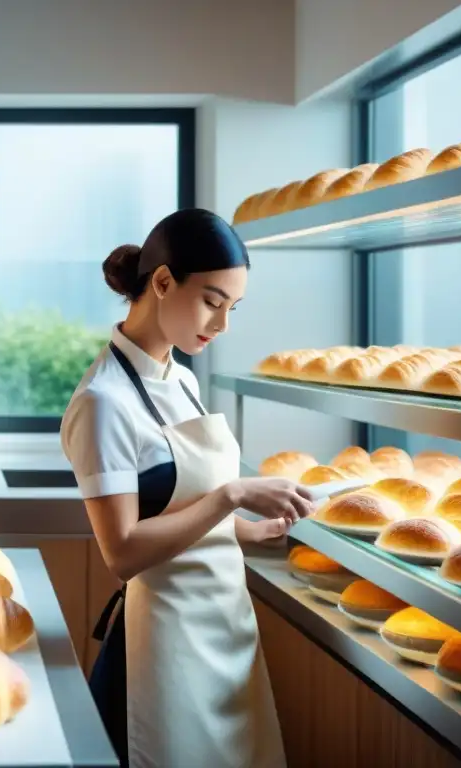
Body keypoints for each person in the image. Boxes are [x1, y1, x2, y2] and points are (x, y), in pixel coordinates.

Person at [60, 208, 315, 768]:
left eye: (232, 308)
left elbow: (181, 506)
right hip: (163, 647)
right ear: (162, 282)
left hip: (225, 629)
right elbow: (122, 552)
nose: (221, 325)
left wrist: (249, 529)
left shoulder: (182, 377)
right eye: (211, 301)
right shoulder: (103, 403)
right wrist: (233, 497)